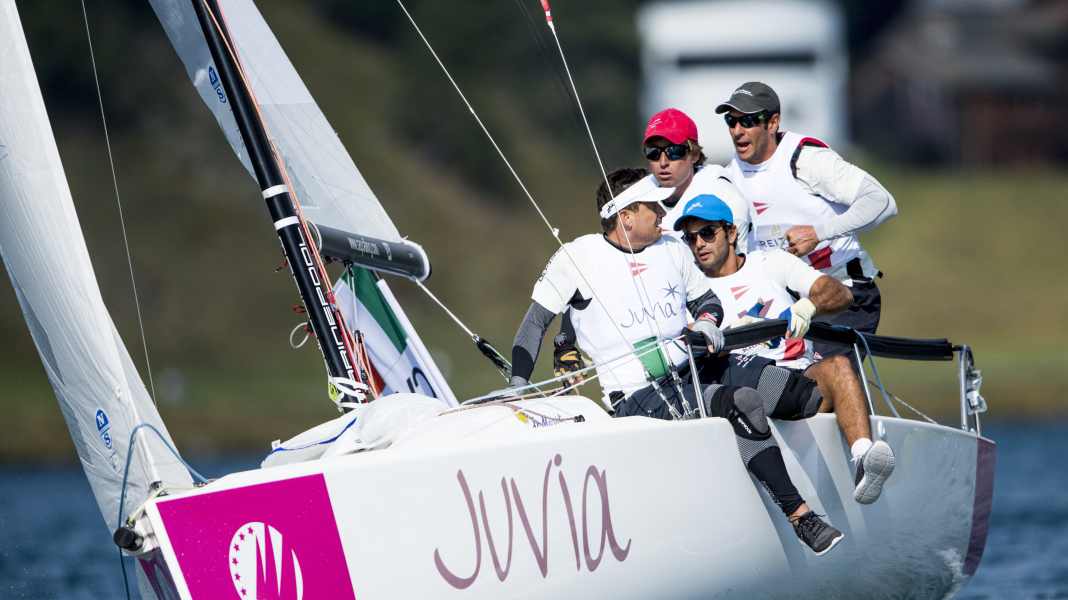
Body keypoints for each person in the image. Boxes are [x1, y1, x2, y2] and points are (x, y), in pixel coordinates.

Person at [509, 167, 844, 555]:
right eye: (652, 207)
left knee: (801, 397)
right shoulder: (577, 257)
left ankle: (778, 459)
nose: (663, 215)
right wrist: (520, 385)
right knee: (745, 403)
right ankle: (801, 516)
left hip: (695, 367)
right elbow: (535, 324)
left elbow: (707, 302)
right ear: (626, 216)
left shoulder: (672, 249)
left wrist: (706, 321)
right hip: (637, 393)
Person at [673, 194, 896, 504]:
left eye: (707, 232)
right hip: (746, 396)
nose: (699, 243)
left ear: (732, 233)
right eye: (690, 237)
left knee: (839, 367)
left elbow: (840, 293)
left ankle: (863, 460)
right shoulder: (692, 292)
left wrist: (808, 306)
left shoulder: (771, 263)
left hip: (800, 382)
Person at [716, 82, 898, 360]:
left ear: (773, 122)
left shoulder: (805, 158)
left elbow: (882, 202)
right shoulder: (729, 177)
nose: (738, 130)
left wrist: (819, 232)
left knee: (828, 385)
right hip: (784, 301)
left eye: (749, 121)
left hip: (843, 294)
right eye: (732, 121)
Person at [641, 107, 751, 250]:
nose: (663, 162)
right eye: (653, 152)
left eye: (674, 151)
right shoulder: (638, 194)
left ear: (694, 155)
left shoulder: (721, 193)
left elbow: (736, 264)